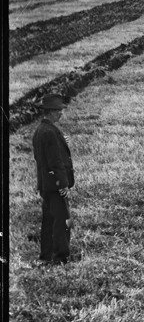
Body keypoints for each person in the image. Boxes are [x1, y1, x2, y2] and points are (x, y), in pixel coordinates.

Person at [33, 94, 75, 266]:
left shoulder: (41, 130)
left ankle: (46, 255)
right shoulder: (50, 132)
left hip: (46, 184)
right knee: (63, 221)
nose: (61, 114)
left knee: (49, 221)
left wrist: (61, 141)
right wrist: (63, 184)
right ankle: (61, 258)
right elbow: (55, 162)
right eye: (58, 110)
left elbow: (42, 156)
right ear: (50, 112)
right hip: (55, 185)